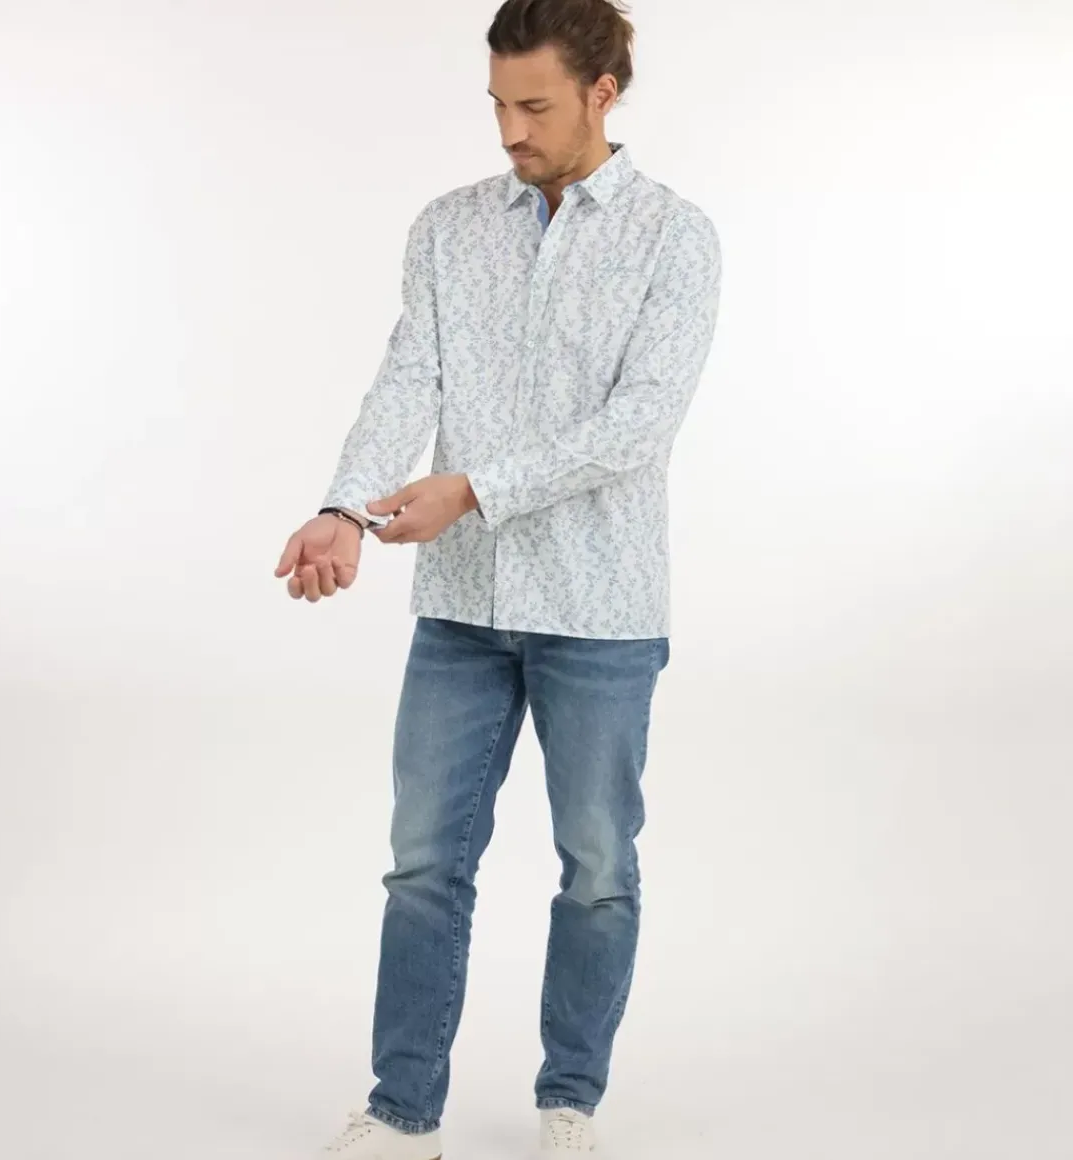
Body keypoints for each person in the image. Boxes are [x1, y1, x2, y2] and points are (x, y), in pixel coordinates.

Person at [274, 0, 721, 1154]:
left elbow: (636, 427)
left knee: (597, 868)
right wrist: (342, 508)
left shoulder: (674, 239)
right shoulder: (446, 227)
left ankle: (568, 1096)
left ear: (602, 93)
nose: (510, 130)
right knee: (424, 863)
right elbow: (405, 381)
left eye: (534, 105)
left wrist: (472, 488)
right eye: (496, 105)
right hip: (459, 610)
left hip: (601, 610)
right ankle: (401, 1109)